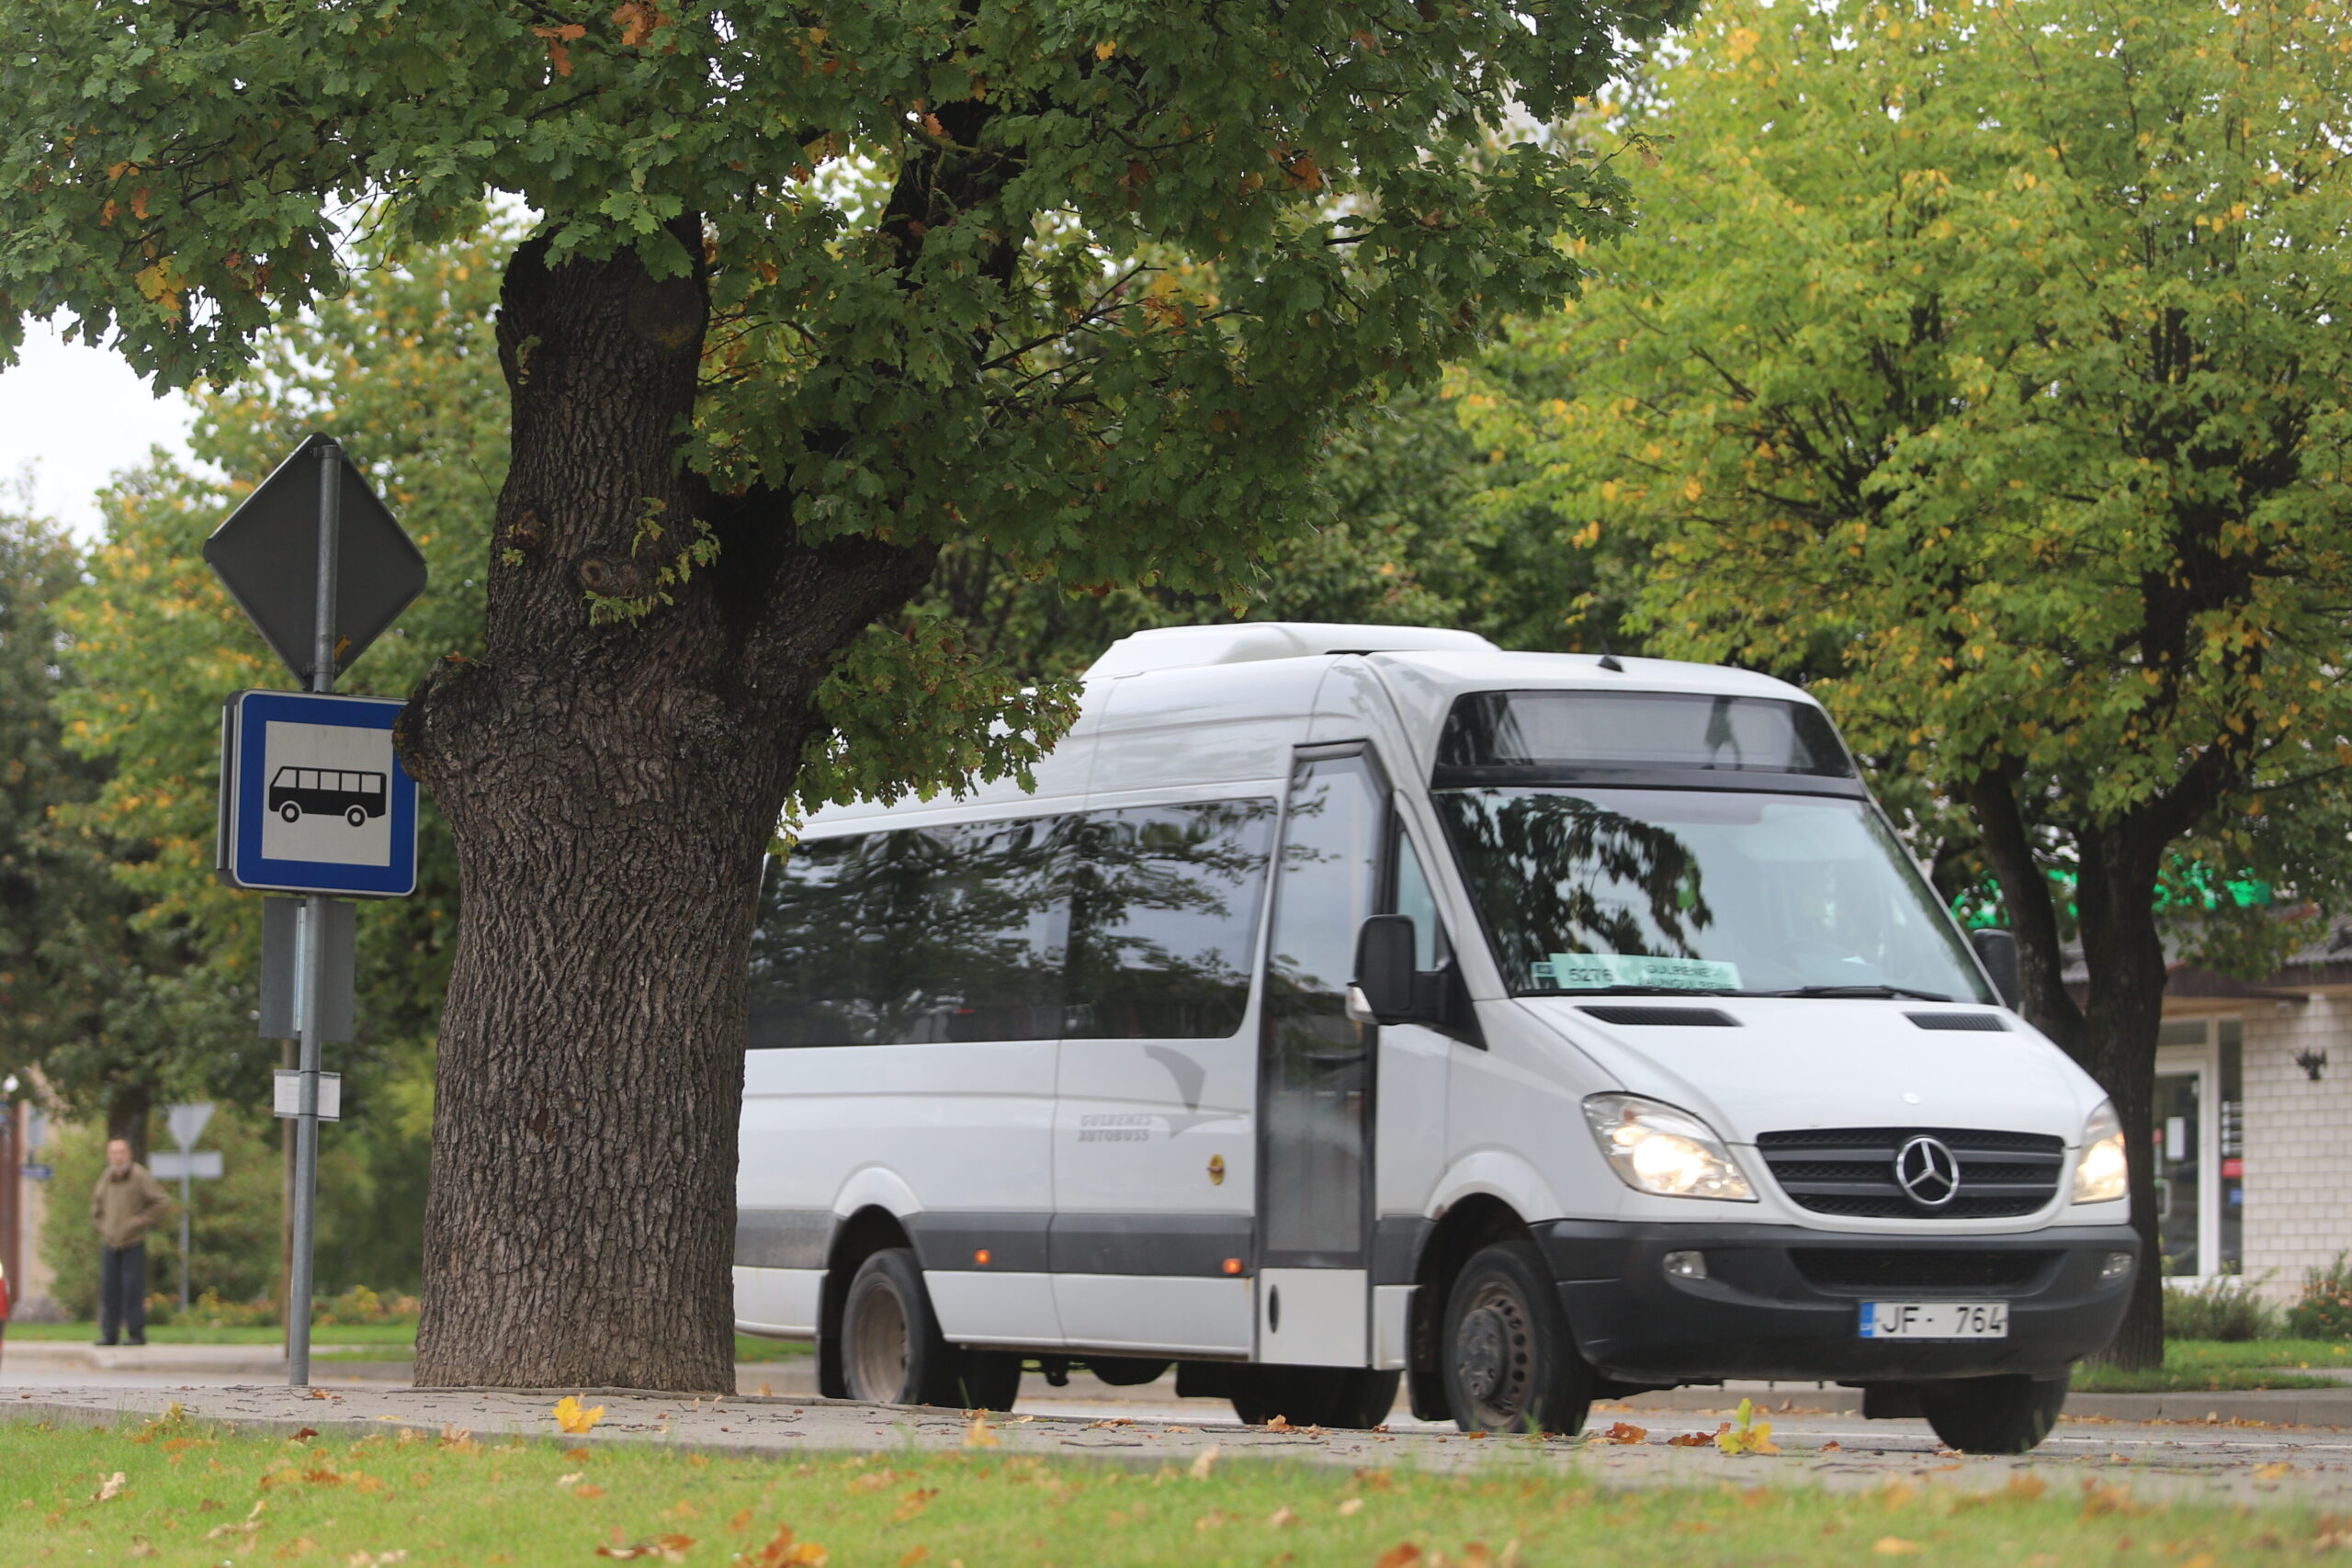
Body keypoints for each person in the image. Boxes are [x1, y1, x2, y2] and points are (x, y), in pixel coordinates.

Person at [90, 1138, 171, 1347]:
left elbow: (161, 1201)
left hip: (132, 1241)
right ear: (109, 1156)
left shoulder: (138, 1175)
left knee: (132, 1289)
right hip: (111, 1241)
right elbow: (96, 1207)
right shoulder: (106, 1177)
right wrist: (103, 1225)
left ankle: (136, 1333)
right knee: (109, 1290)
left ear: (128, 1154)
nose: (117, 1157)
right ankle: (110, 1334)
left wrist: (139, 1221)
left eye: (121, 1152)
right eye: (113, 1153)